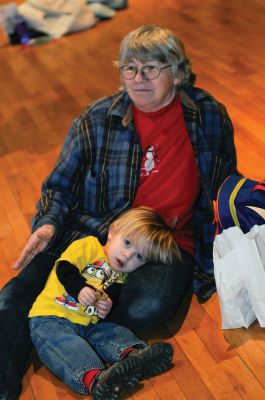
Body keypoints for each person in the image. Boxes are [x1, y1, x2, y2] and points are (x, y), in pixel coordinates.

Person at [0, 24, 237, 400]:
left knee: (147, 307)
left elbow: (226, 180)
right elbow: (59, 185)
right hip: (94, 233)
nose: (138, 79)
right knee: (11, 300)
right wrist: (47, 225)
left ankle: (60, 329)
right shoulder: (96, 119)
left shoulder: (207, 115)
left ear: (177, 73)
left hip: (161, 245)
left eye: (151, 68)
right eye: (129, 68)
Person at [28, 206, 178, 399]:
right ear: (112, 232)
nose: (127, 256)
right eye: (127, 243)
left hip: (88, 324)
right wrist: (80, 289)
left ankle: (135, 355)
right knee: (66, 345)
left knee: (110, 331)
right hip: (50, 317)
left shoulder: (120, 276)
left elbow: (112, 295)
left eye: (139, 257)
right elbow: (64, 268)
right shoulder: (89, 245)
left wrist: (106, 305)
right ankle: (96, 379)